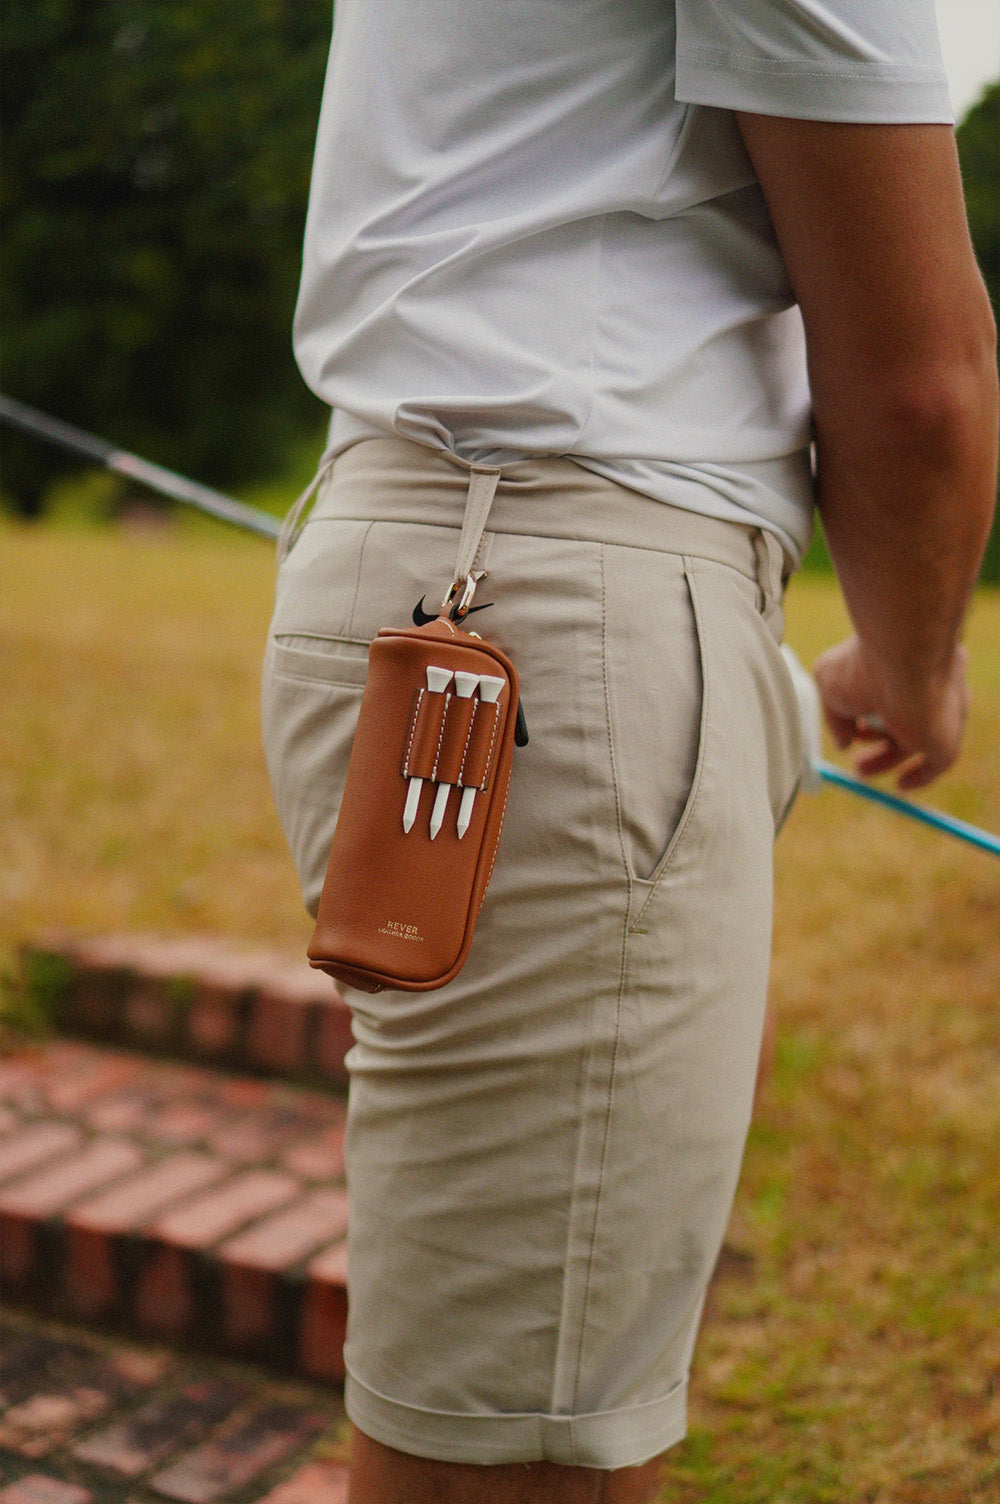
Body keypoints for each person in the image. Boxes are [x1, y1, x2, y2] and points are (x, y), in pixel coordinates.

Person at [261, 2, 998, 1500]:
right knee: (518, 1449)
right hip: (555, 601)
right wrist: (917, 664)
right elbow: (921, 379)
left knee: (506, 1391)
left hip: (428, 553)